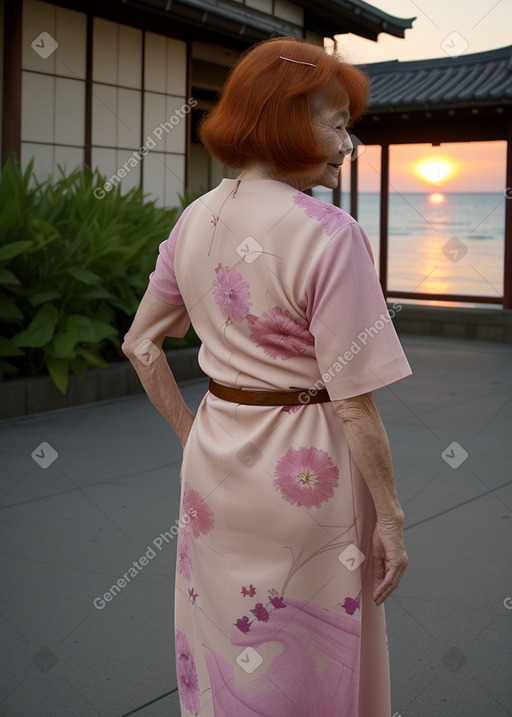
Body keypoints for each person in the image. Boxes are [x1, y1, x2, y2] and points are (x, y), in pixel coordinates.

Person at [123, 36, 411, 717]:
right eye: (337, 123)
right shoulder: (330, 234)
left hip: (214, 466)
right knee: (318, 647)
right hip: (308, 475)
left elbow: (140, 344)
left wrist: (192, 434)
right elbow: (353, 404)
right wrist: (393, 517)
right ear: (289, 121)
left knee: (224, 633)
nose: (349, 143)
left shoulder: (194, 220)